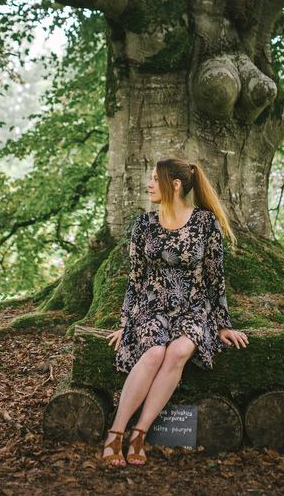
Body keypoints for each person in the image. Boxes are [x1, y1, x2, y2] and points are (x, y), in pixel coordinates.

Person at [100, 158, 249, 468]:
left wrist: (223, 325)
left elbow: (215, 277)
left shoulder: (205, 223)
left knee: (178, 351)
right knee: (154, 353)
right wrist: (125, 323)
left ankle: (139, 434)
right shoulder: (144, 224)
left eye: (156, 179)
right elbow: (135, 279)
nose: (149, 184)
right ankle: (116, 433)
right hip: (152, 306)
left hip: (194, 308)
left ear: (176, 185)